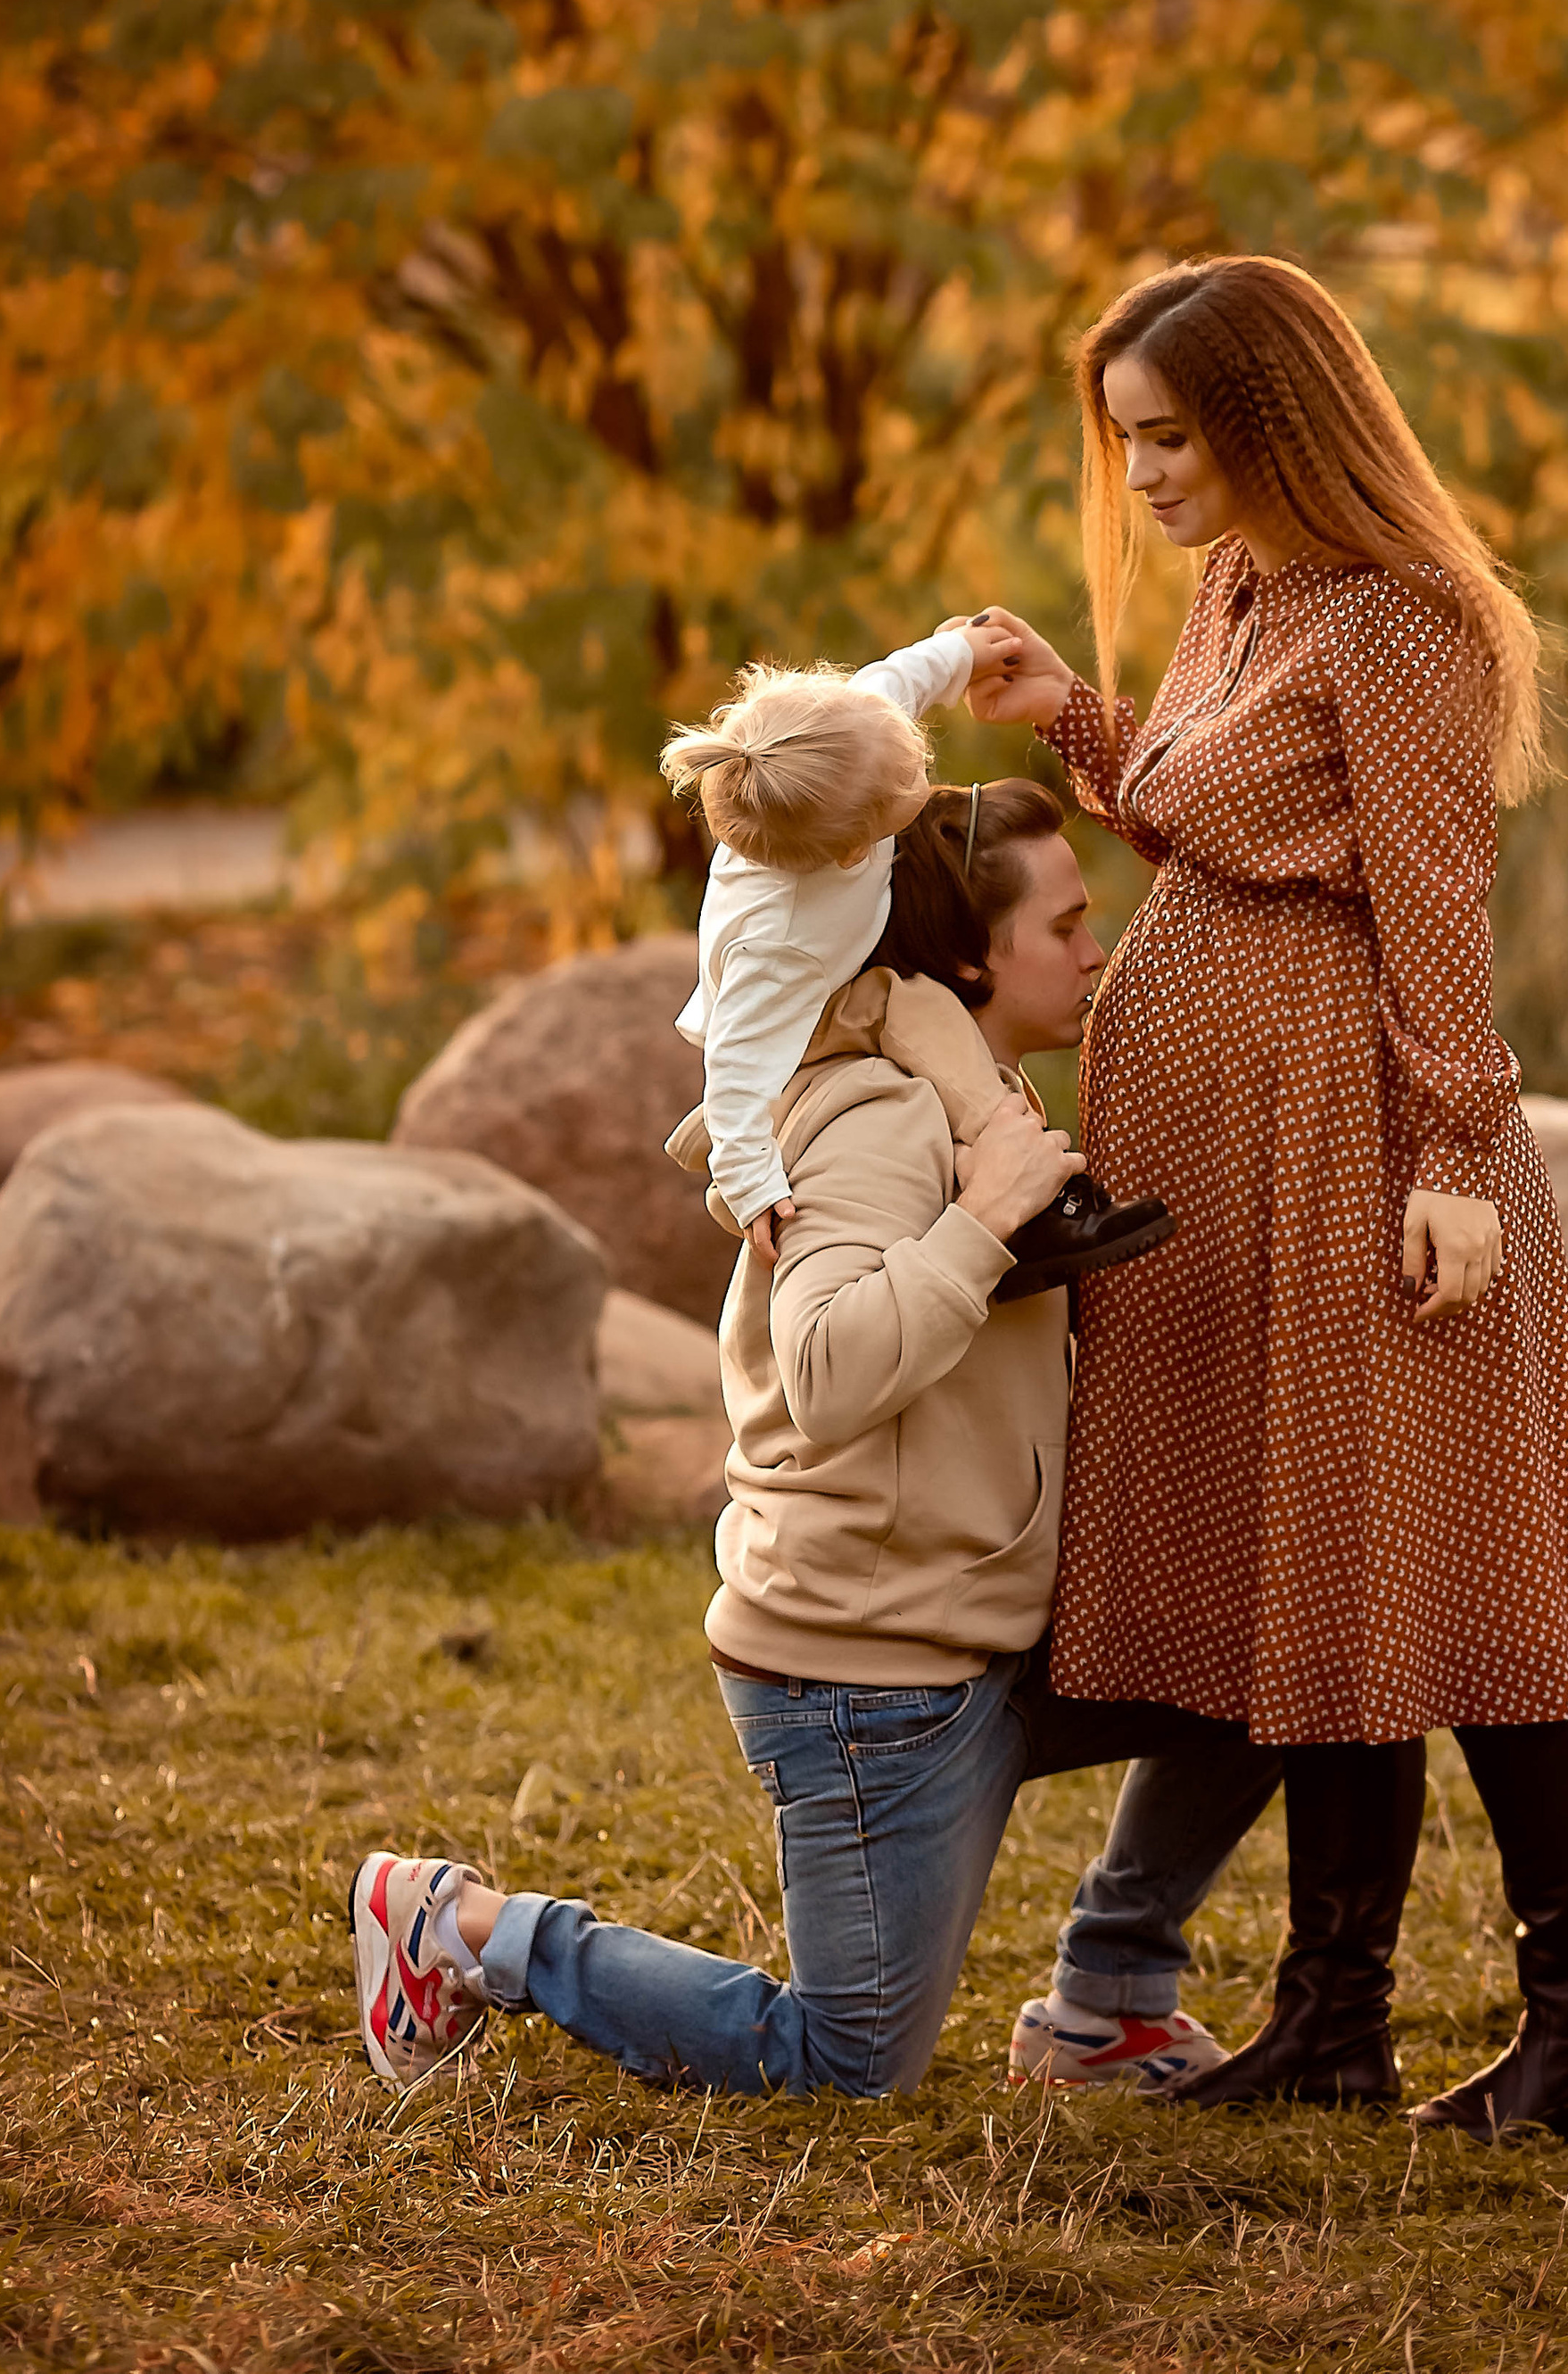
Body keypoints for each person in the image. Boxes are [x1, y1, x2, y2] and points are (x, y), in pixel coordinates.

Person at [967, 254, 1568, 2138]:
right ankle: (1331, 2026)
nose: (1144, 479)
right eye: (1125, 443)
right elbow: (1223, 818)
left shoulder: (1403, 623)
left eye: (1169, 438)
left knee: (1476, 1600)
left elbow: (1432, 907)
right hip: (1238, 1165)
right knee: (1328, 1595)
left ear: (1273, 419)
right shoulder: (1240, 590)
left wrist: (1450, 1160)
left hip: (1359, 1155)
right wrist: (1070, 719)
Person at [347, 780, 1272, 2099]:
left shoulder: (974, 1092)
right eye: (1066, 925)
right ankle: (466, 1929)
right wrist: (984, 1222)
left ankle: (1110, 2001)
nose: (1096, 949)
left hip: (988, 1624)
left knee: (1278, 1657)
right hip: (872, 1686)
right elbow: (827, 1368)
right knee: (846, 2062)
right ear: (965, 960)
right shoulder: (881, 1124)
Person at [658, 626, 1168, 1299]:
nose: (924, 784)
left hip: (834, 965)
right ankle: (1036, 1195)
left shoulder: (847, 736)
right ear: (851, 853)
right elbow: (735, 1066)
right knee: (917, 1009)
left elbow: (900, 678)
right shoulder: (776, 946)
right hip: (805, 1019)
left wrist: (964, 654)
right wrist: (751, 1185)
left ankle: (983, 1187)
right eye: (908, 790)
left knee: (920, 1038)